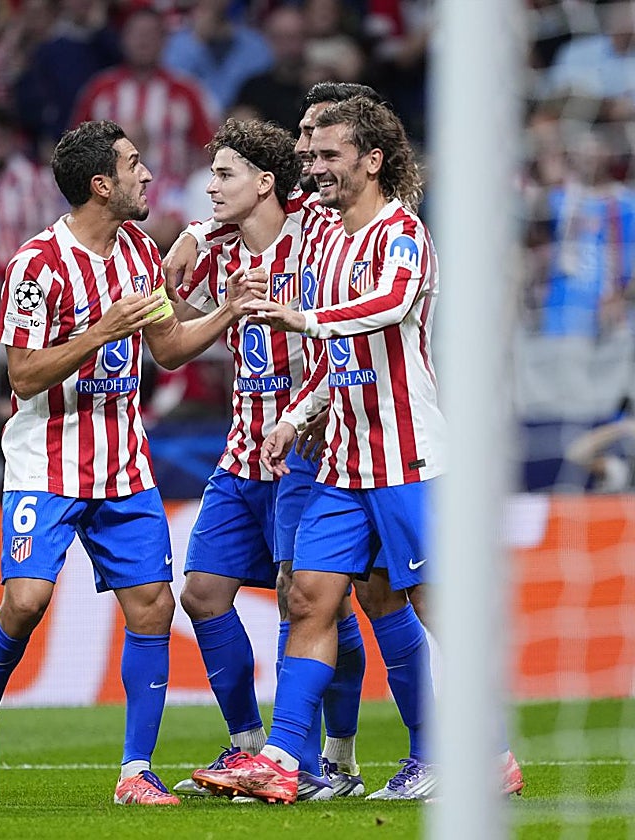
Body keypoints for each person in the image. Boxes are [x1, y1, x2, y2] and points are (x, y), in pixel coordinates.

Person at [0, 119, 262, 807]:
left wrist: (228, 311)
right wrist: (100, 332)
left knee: (152, 608)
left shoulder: (141, 253)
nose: (147, 174)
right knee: (25, 603)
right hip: (46, 463)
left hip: (124, 465)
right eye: (133, 164)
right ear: (101, 184)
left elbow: (168, 348)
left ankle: (135, 771)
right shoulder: (36, 265)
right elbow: (23, 375)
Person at [192, 95, 444, 804]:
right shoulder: (326, 240)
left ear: (373, 160)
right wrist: (295, 416)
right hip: (339, 461)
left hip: (406, 457)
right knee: (307, 598)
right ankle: (283, 758)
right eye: (312, 151)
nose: (315, 163)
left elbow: (389, 306)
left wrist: (302, 317)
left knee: (432, 607)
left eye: (330, 153)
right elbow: (336, 363)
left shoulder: (401, 233)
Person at [165, 82, 386, 801]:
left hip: (310, 448)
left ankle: (335, 759)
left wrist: (308, 414)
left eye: (223, 174)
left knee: (312, 599)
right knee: (202, 594)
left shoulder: (318, 233)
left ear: (266, 183)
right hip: (241, 450)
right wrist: (193, 240)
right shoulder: (215, 253)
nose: (210, 188)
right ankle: (249, 747)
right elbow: (173, 340)